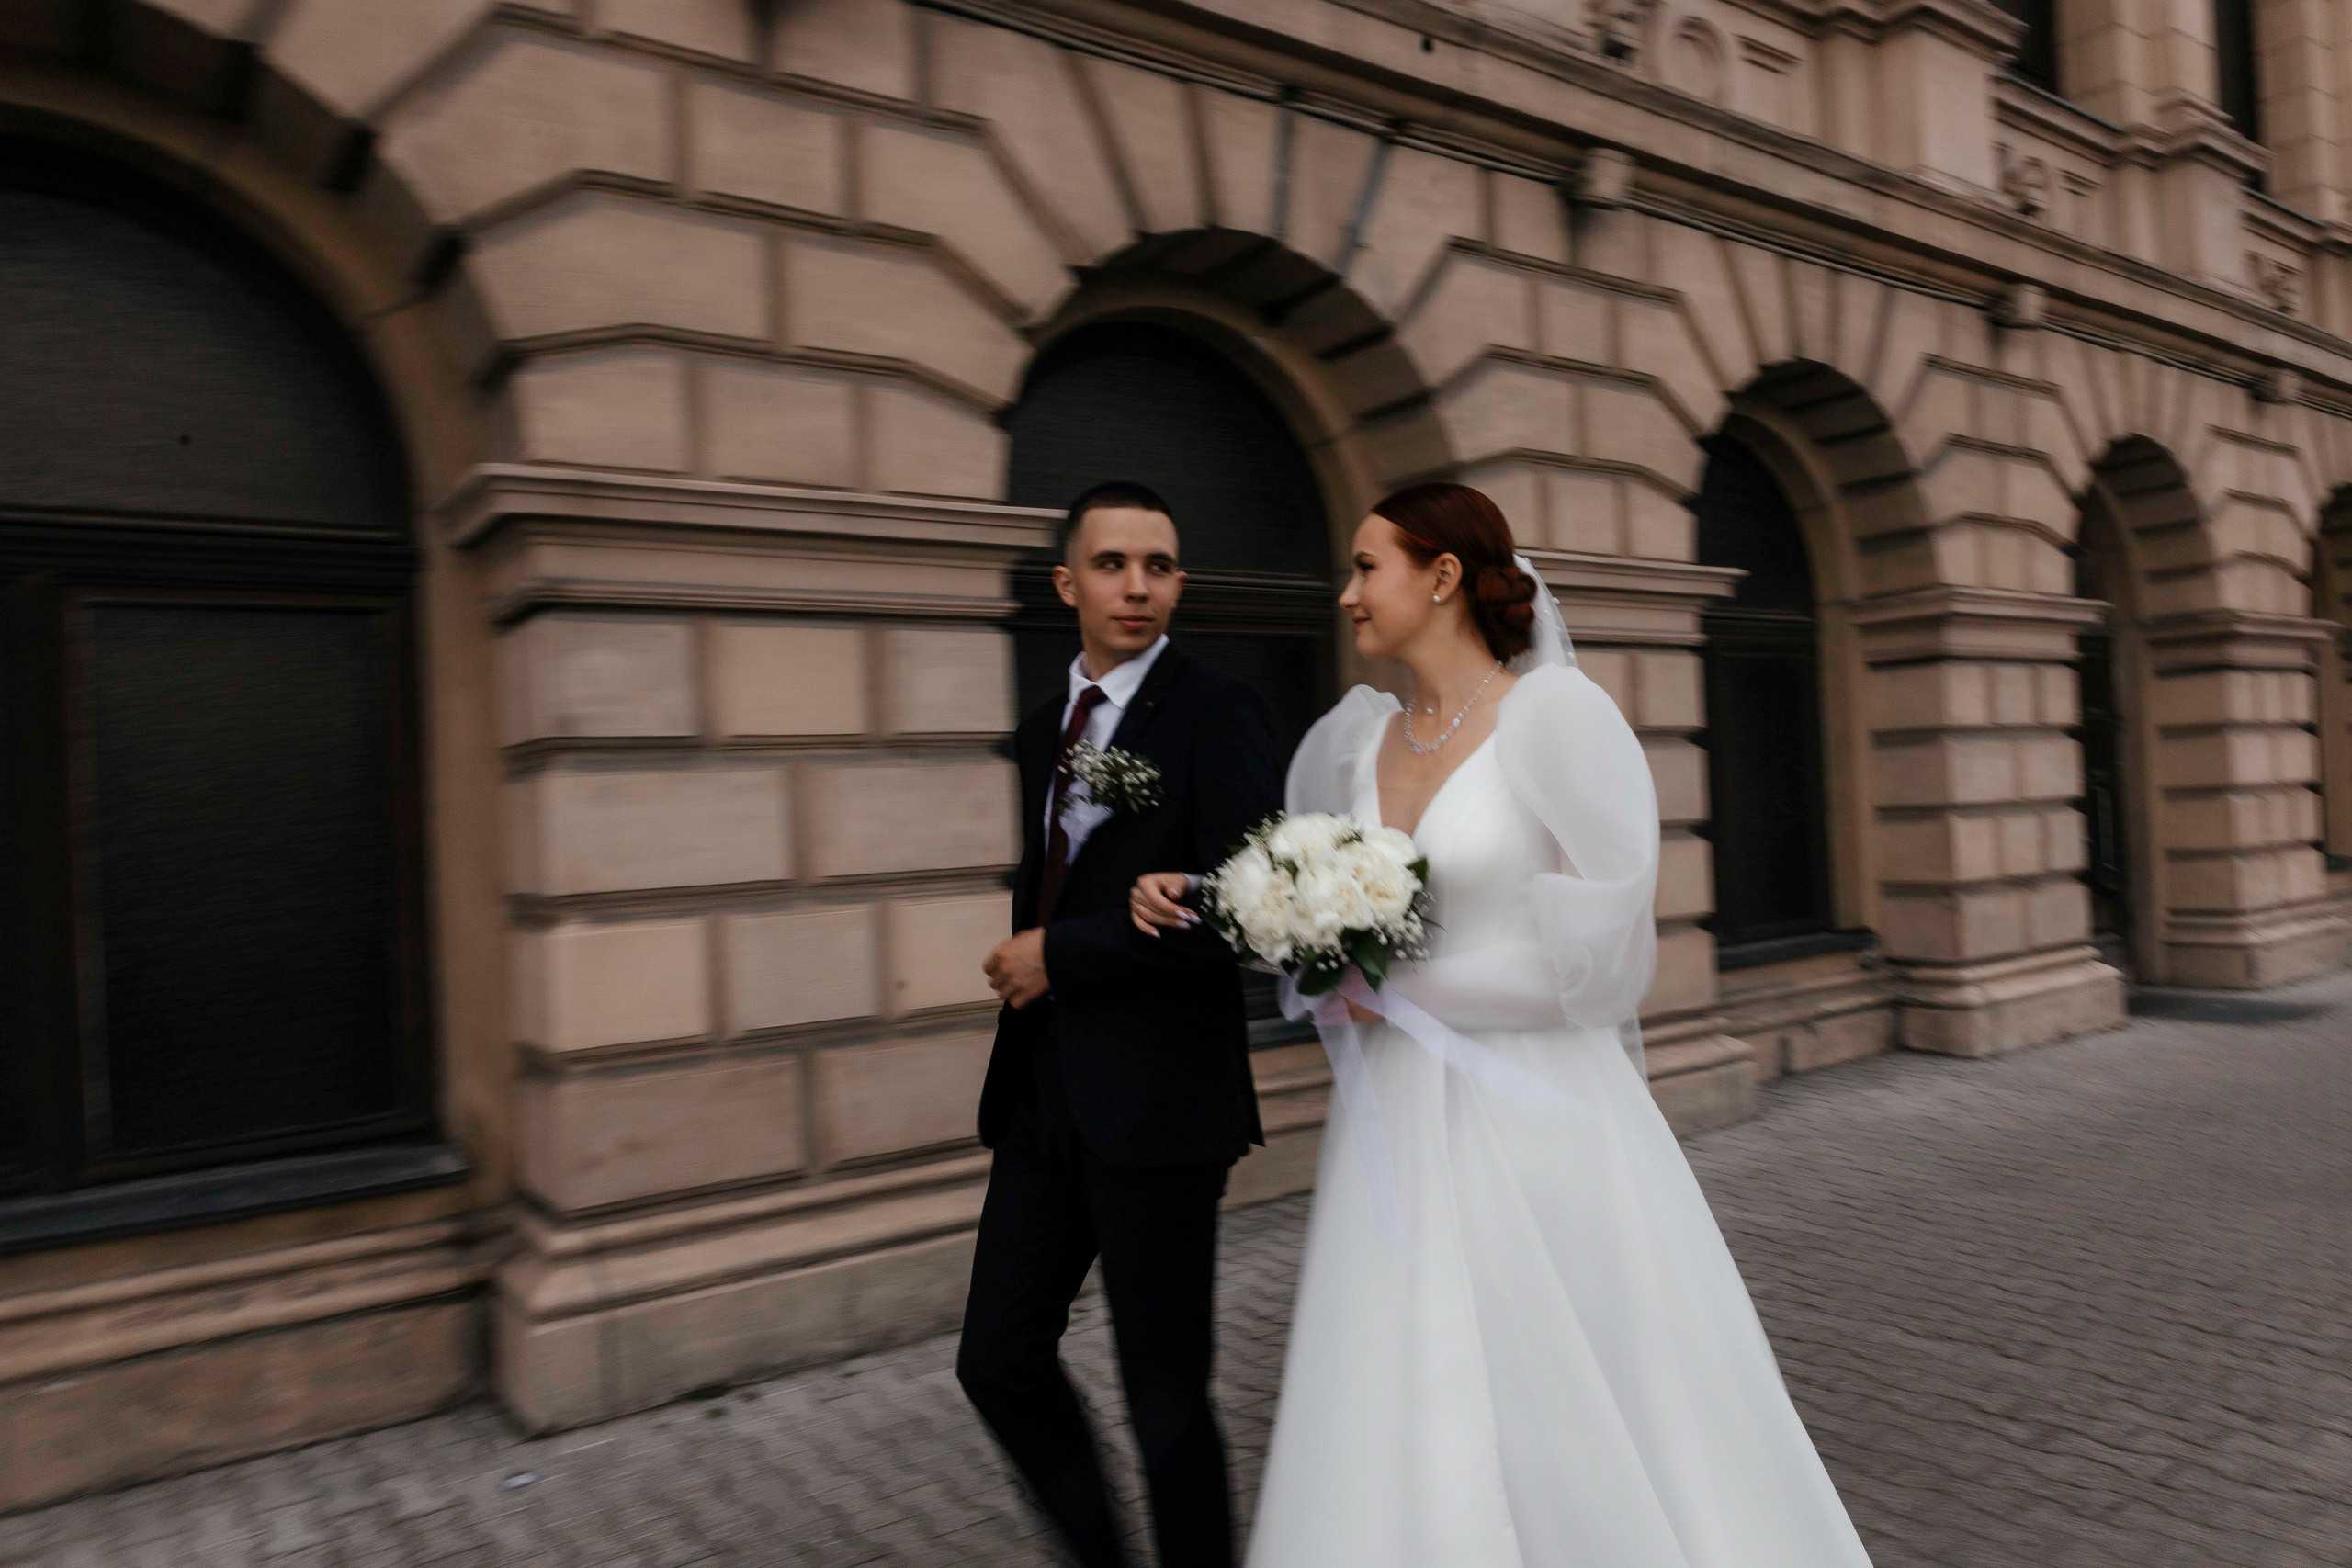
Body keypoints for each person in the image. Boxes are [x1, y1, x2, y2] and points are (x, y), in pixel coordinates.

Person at [1131, 482, 1875, 1567]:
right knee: (1399, 1372)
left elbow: (1606, 958)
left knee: (1570, 1382)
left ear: (1441, 577)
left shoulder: (1553, 717)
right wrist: (1211, 902)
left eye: (1366, 567)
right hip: (1396, 1117)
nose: (1346, 594)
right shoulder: (1358, 742)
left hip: (1537, 1116)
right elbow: (1312, 911)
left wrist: (1403, 994)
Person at [958, 480, 1283, 1568]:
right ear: (1068, 583)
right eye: (1112, 564)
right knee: (996, 1359)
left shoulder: (1217, 710)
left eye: (1159, 566)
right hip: (1042, 1095)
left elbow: (1248, 908)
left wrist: (1060, 954)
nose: (1137, 586)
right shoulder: (1039, 728)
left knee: (1165, 1398)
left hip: (1161, 1101)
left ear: (1179, 582)